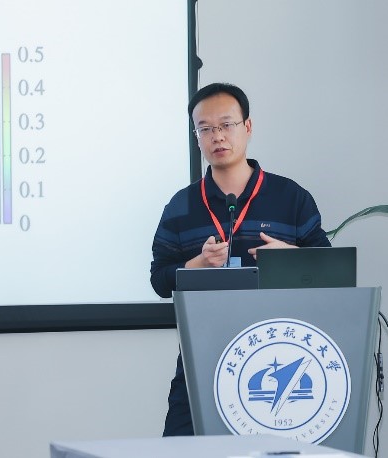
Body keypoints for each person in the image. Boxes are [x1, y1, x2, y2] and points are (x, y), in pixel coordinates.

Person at [150, 82, 331, 436]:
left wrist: (290, 257)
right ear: (197, 137)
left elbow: (330, 269)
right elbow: (159, 279)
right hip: (203, 355)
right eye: (205, 129)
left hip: (277, 354)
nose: (217, 136)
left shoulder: (290, 197)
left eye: (226, 125)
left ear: (247, 127)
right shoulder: (181, 206)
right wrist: (198, 265)